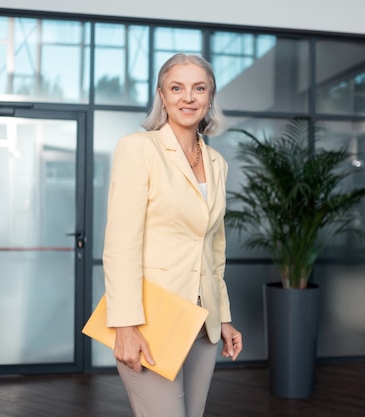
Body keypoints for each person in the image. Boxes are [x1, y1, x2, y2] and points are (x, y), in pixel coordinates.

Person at [102, 52, 243, 417]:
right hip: (151, 321)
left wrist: (223, 317)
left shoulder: (217, 163)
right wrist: (125, 325)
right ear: (162, 96)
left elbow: (213, 248)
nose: (188, 98)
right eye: (176, 88)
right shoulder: (139, 149)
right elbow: (121, 245)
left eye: (199, 88)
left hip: (203, 323)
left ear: (210, 97)